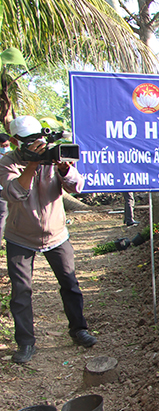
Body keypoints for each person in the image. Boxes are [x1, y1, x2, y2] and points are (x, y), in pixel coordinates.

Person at [0, 116, 97, 363]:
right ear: (14, 141)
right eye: (30, 141)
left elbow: (77, 187)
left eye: (39, 138)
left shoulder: (53, 157)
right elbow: (14, 194)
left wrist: (64, 169)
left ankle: (79, 329)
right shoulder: (7, 162)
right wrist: (33, 164)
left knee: (70, 283)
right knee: (21, 291)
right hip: (20, 236)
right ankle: (25, 342)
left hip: (56, 234)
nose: (38, 144)